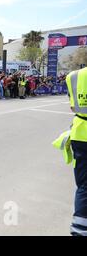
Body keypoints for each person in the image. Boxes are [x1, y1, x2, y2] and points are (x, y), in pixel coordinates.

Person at [53, 67, 87, 236]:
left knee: (83, 186)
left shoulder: (74, 76)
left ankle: (79, 229)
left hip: (80, 133)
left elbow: (73, 106)